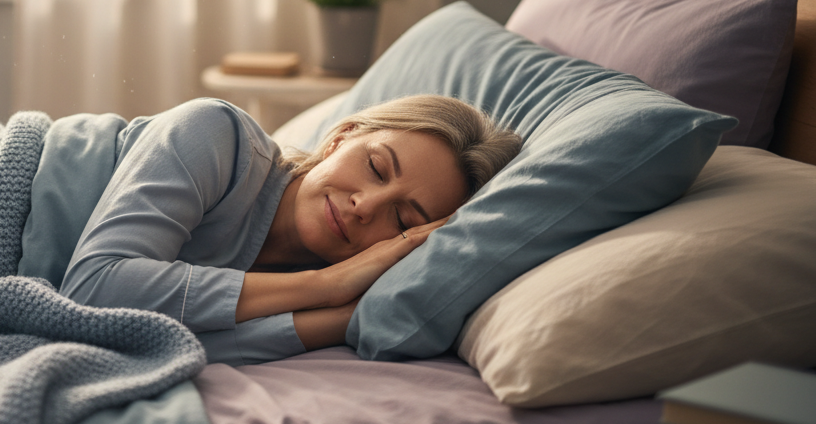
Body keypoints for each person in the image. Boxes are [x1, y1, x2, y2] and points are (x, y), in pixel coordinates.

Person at [60, 95, 522, 365]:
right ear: (341, 138)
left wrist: (343, 318)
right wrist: (323, 286)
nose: (366, 205)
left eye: (402, 221)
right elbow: (93, 290)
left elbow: (174, 342)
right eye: (376, 168)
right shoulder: (216, 134)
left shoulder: (320, 285)